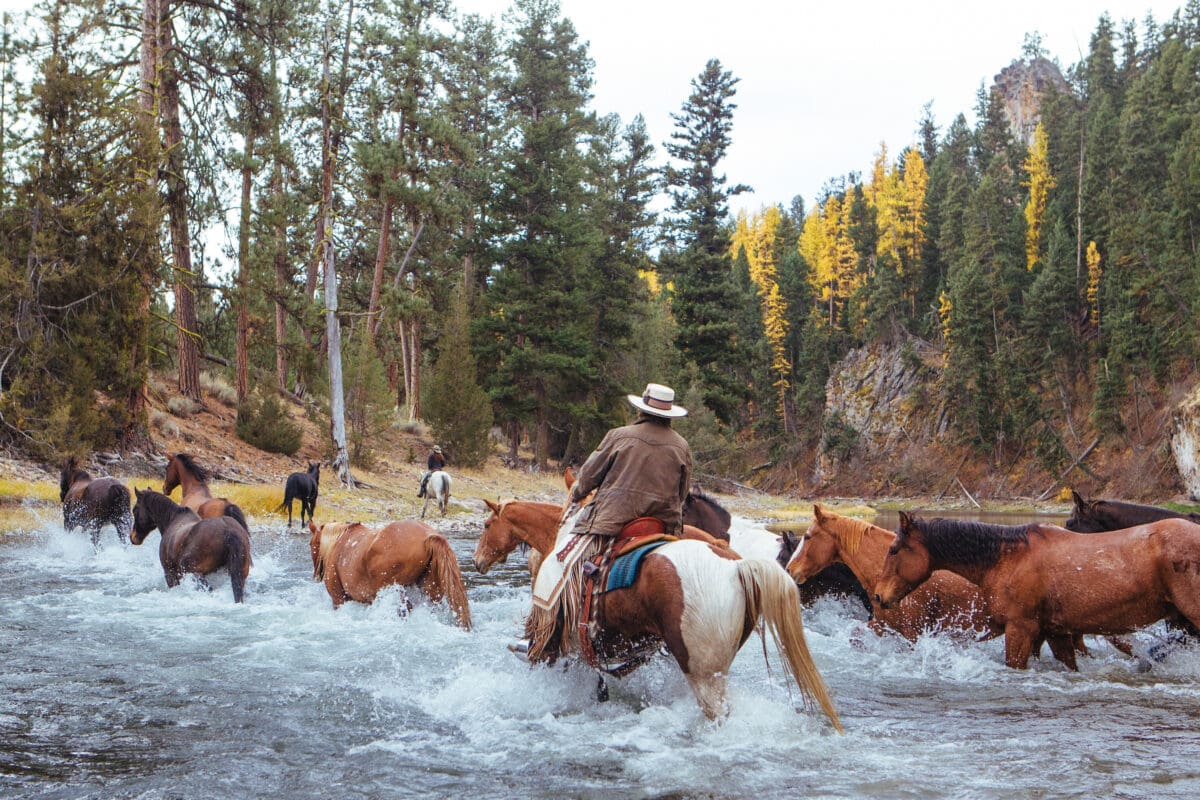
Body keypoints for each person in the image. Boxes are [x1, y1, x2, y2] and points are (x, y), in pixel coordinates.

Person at [522, 383, 692, 663]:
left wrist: (576, 493)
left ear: (642, 409)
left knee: (559, 564)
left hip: (611, 523)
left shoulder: (619, 436)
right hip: (661, 528)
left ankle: (542, 638)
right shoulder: (681, 445)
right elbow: (683, 492)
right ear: (669, 414)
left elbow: (589, 476)